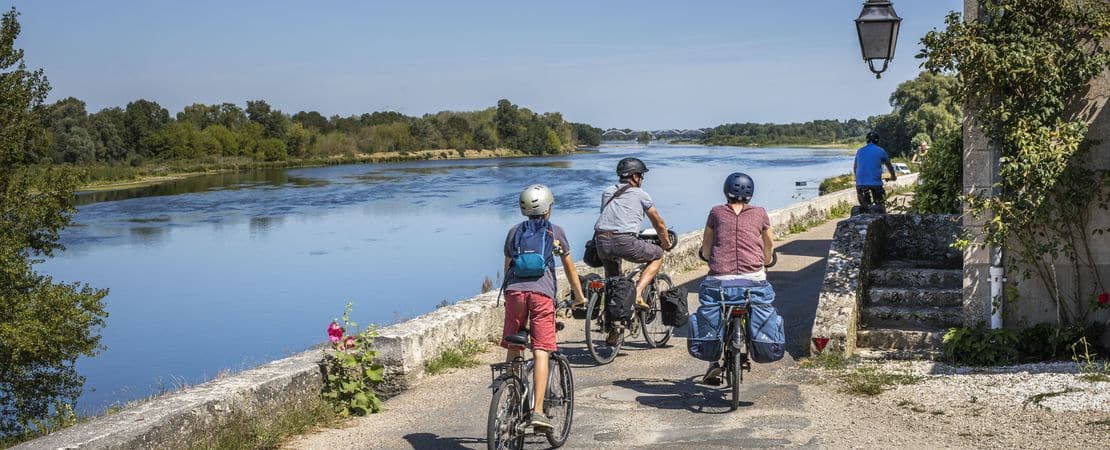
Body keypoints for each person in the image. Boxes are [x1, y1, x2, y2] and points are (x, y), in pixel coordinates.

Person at [500, 184, 586, 431]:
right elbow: (569, 268)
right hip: (542, 295)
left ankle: (511, 391)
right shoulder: (554, 232)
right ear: (548, 208)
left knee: (515, 343)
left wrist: (511, 297)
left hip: (515, 292)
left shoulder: (514, 232)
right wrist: (579, 296)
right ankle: (537, 411)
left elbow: (507, 269)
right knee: (541, 349)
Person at [696, 172, 775, 385]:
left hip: (720, 278)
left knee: (717, 311)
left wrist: (706, 256)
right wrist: (765, 262)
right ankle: (752, 340)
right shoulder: (760, 213)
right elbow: (768, 245)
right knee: (756, 303)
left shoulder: (716, 212)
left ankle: (713, 362)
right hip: (754, 278)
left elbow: (707, 244)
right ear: (750, 194)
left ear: (726, 191)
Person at [593, 157, 673, 342]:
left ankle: (615, 329)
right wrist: (666, 242)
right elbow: (658, 222)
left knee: (613, 281)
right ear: (635, 176)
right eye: (642, 175)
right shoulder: (641, 194)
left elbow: (610, 217)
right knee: (658, 254)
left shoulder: (607, 192)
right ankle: (637, 293)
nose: (642, 179)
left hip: (602, 241)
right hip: (625, 241)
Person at [853, 131, 897, 209]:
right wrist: (893, 177)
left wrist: (858, 179)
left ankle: (865, 210)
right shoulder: (880, 150)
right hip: (875, 184)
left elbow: (855, 168)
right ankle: (880, 212)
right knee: (880, 205)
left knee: (864, 207)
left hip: (860, 183)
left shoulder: (859, 151)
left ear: (867, 141)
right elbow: (889, 166)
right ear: (877, 141)